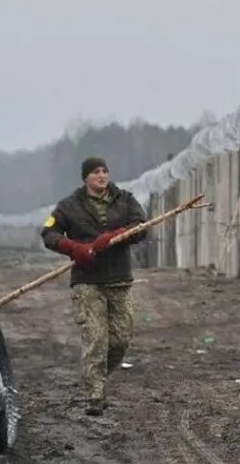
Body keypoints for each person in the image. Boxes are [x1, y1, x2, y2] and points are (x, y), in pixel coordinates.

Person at [40, 156, 149, 416]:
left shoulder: (125, 200)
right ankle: (95, 395)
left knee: (121, 339)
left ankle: (97, 374)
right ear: (85, 178)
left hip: (119, 279)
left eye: (104, 171)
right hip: (87, 282)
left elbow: (141, 226)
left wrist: (114, 236)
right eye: (96, 172)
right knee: (96, 338)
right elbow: (48, 233)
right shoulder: (69, 206)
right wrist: (74, 248)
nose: (102, 175)